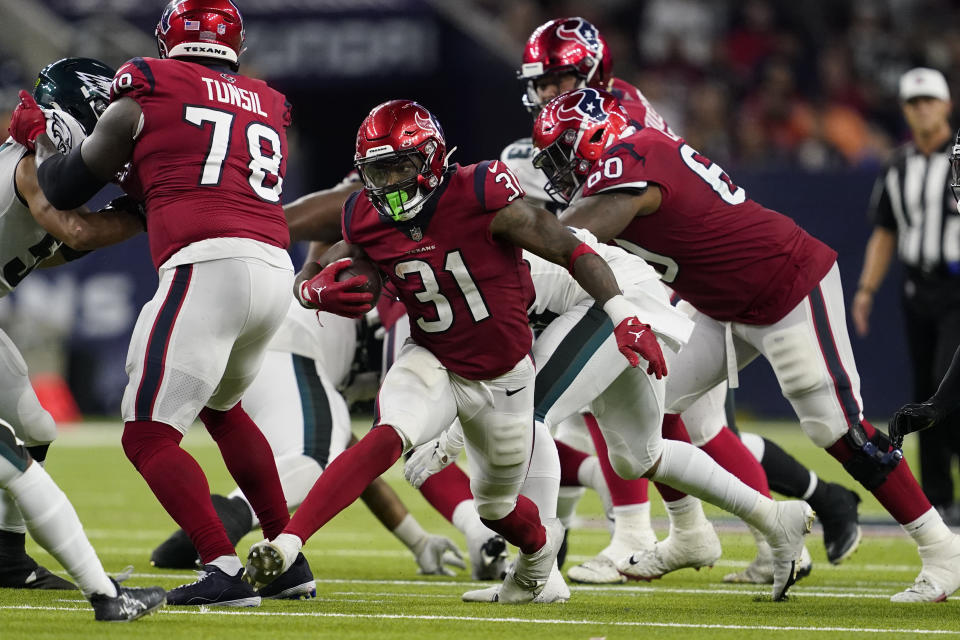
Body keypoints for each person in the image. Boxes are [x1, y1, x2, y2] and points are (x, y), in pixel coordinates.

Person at [541, 87, 960, 603]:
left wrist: (521, 244)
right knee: (640, 398)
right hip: (718, 303)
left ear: (594, 139)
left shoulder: (631, 161)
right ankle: (690, 533)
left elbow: (572, 238)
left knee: (838, 430)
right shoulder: (630, 157)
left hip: (786, 283)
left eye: (561, 154)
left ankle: (943, 551)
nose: (557, 173)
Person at [242, 98, 665, 605]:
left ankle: (540, 551)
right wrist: (307, 291)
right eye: (380, 170)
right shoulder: (364, 213)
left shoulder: (480, 191)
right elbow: (333, 263)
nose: (392, 181)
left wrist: (624, 315)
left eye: (402, 165)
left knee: (497, 510)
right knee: (388, 434)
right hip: (434, 356)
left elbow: (570, 248)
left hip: (506, 378)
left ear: (433, 158)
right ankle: (287, 543)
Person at [509, 15, 860, 581]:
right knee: (670, 420)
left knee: (668, 415)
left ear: (591, 72)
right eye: (541, 82)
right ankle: (752, 530)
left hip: (665, 281)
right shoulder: (595, 111)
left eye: (557, 80)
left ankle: (679, 534)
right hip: (654, 274)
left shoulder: (608, 116)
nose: (546, 92)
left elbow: (616, 212)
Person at [7, 0, 311, 607]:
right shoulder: (267, 102)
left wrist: (48, 149)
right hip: (275, 265)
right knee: (225, 411)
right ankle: (287, 560)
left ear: (168, 36)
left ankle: (224, 567)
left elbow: (66, 187)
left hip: (208, 265)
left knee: (147, 434)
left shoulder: (147, 83)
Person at [1, 56, 164, 621]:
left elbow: (50, 249)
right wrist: (145, 213)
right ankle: (103, 596)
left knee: (35, 427)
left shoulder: (32, 157)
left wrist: (104, 226)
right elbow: (74, 229)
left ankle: (5, 558)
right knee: (9, 458)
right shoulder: (30, 163)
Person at [149, 300, 466, 578]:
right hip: (290, 343)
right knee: (313, 456)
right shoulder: (422, 322)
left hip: (256, 344)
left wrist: (417, 540)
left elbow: (354, 462)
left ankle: (217, 525)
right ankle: (224, 521)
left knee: (322, 453)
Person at [852, 67, 960, 523]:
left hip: (958, 286)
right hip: (917, 287)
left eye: (929, 101)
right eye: (914, 103)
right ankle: (939, 496)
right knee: (922, 391)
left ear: (946, 104)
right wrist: (866, 289)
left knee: (946, 387)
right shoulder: (897, 165)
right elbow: (885, 231)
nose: (922, 109)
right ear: (904, 110)